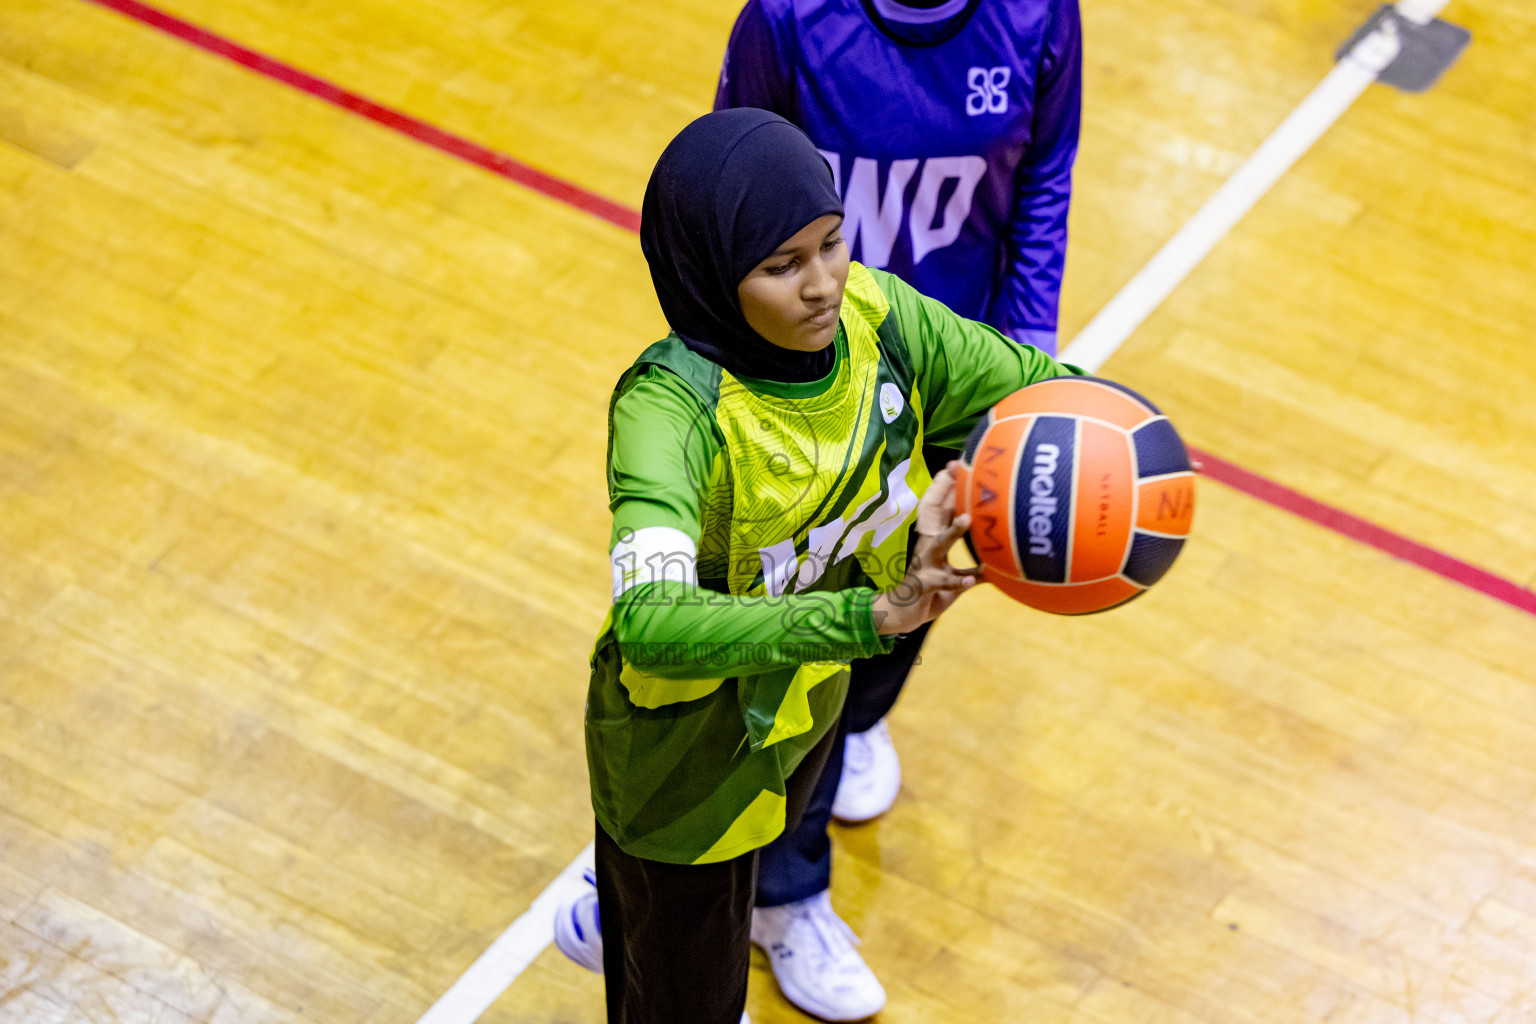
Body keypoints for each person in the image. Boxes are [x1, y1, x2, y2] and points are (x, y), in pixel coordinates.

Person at [553, 108, 1080, 1024]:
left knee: (762, 857)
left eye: (832, 243)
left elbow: (1031, 387)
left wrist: (1131, 438)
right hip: (684, 762)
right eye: (781, 265)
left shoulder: (880, 318)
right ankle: (642, 916)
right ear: (714, 274)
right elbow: (651, 620)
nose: (822, 285)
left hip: (807, 700)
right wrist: (867, 619)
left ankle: (649, 917)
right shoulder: (667, 413)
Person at [714, 4, 1083, 1013]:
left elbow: (1043, 181)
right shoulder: (788, 20)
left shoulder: (1039, 16)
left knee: (944, 570)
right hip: (816, 366)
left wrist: (1025, 367)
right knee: (808, 637)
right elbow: (725, 192)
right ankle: (782, 898)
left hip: (958, 352)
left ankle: (863, 717)